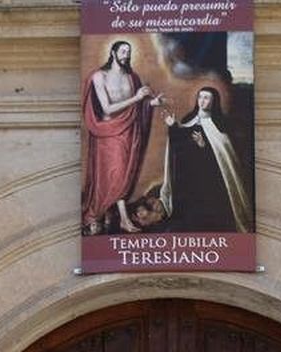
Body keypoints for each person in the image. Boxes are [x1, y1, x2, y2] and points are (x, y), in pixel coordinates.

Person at [82, 40, 163, 235]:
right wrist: (137, 97)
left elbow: (136, 108)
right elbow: (107, 108)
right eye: (123, 51)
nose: (126, 54)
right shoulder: (98, 76)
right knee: (112, 175)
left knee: (124, 175)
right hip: (107, 132)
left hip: (128, 132)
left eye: (129, 51)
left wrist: (151, 104)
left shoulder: (132, 77)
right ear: (113, 52)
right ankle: (120, 218)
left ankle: (119, 218)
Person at [160, 86, 254, 233]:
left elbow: (220, 157)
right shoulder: (187, 120)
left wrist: (203, 146)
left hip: (210, 180)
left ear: (213, 102)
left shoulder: (219, 125)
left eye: (206, 98)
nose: (202, 101)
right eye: (200, 97)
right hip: (189, 178)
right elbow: (179, 148)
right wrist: (173, 126)